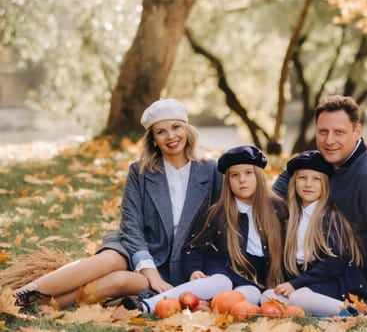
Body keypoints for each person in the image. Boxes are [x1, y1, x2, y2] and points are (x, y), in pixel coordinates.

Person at [12, 98, 222, 308]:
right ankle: (20, 295)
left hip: (175, 267)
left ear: (187, 130)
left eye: (176, 127)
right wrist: (149, 270)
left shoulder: (210, 171)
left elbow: (219, 225)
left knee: (118, 281)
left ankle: (31, 304)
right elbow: (131, 226)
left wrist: (199, 271)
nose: (171, 137)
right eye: (161, 132)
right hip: (135, 247)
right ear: (153, 140)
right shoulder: (139, 172)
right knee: (107, 261)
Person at [273, 95, 367, 313]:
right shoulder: (318, 164)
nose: (329, 141)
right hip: (314, 273)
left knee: (295, 299)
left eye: (339, 132)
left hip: (357, 283)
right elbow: (271, 205)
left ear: (357, 131)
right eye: (323, 132)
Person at [122, 145, 288, 313]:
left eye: (248, 173)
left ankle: (204, 306)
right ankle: (150, 304)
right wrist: (194, 270)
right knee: (221, 283)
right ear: (227, 181)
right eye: (234, 175)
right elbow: (193, 246)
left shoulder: (278, 208)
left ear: (259, 176)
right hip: (223, 270)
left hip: (256, 281)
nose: (242, 180)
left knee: (250, 296)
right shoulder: (218, 212)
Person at [261, 151, 367, 317]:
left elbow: (334, 262)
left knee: (298, 296)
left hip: (337, 283)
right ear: (294, 183)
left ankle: (355, 313)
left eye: (316, 179)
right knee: (268, 296)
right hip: (310, 283)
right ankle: (318, 314)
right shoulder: (291, 217)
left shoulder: (330, 217)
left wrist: (295, 284)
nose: (308, 184)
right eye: (302, 178)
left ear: (325, 184)